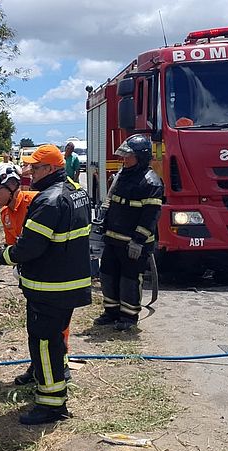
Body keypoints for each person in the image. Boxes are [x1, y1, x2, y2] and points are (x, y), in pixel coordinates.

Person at [0, 144, 91, 425]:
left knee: (44, 343)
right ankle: (53, 388)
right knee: (55, 340)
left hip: (50, 286)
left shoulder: (48, 200)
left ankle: (50, 405)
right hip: (70, 282)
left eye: (35, 167)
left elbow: (29, 248)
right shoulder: (77, 192)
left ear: (51, 168)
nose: (29, 172)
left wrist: (1, 256)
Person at [93, 134, 163, 331]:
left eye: (128, 157)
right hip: (113, 239)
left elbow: (151, 216)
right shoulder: (122, 176)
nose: (124, 160)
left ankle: (129, 317)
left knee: (129, 279)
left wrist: (138, 241)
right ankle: (111, 312)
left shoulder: (151, 183)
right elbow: (111, 204)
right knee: (108, 275)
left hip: (133, 244)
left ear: (141, 157)